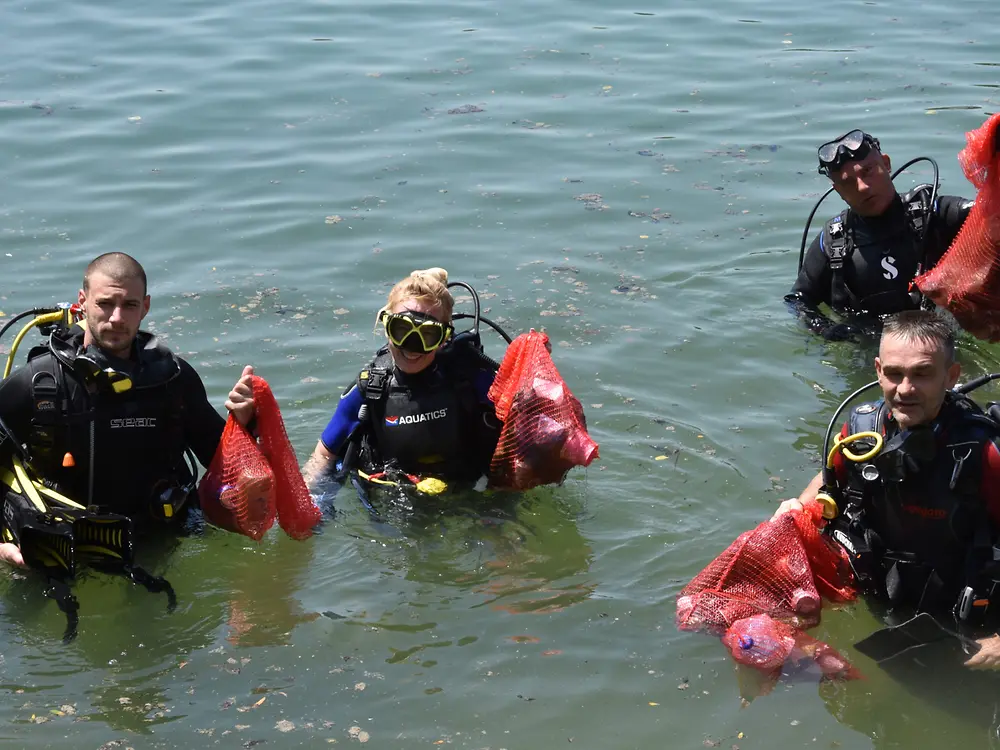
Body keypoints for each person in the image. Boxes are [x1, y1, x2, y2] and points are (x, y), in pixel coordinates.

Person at [774, 310, 1000, 668]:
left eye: (922, 373)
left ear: (951, 375)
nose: (905, 389)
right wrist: (796, 512)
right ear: (878, 370)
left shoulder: (984, 455)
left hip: (967, 616)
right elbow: (830, 482)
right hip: (880, 590)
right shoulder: (861, 432)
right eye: (894, 374)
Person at [0, 252, 255, 567]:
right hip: (60, 551)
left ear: (145, 307)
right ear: (82, 302)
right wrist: (2, 546)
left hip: (161, 540)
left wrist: (243, 424)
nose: (117, 318)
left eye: (130, 305)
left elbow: (225, 468)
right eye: (105, 303)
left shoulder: (172, 378)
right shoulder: (42, 382)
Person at [302, 268, 501, 492]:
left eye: (427, 334)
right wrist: (313, 502)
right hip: (394, 497)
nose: (412, 346)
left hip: (472, 489)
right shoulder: (371, 386)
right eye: (402, 329)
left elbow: (526, 423)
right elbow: (323, 455)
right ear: (387, 328)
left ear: (444, 338)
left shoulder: (471, 377)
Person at [785, 129, 974, 341]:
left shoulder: (933, 213)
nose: (863, 187)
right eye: (848, 182)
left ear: (886, 163)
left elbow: (989, 212)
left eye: (868, 171)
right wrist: (827, 329)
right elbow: (797, 300)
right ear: (837, 189)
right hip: (868, 349)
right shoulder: (833, 242)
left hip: (943, 342)